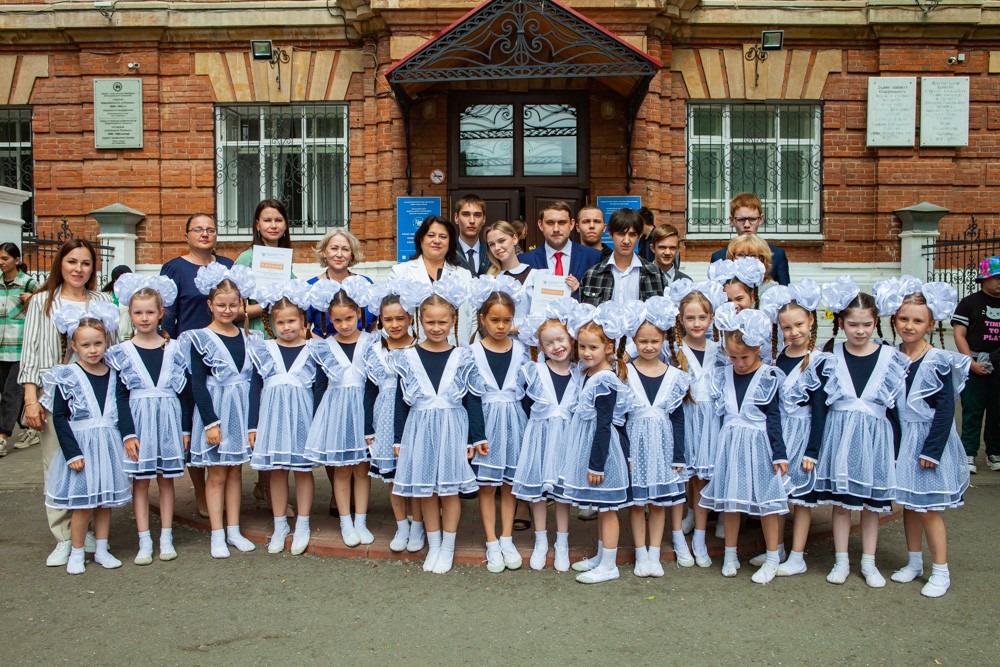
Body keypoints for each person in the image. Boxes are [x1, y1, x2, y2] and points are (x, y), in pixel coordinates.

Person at [20, 239, 119, 567]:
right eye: (72, 262)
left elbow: (114, 347)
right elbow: (31, 350)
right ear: (60, 264)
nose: (79, 269)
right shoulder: (43, 301)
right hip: (56, 395)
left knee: (94, 463)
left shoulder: (101, 300)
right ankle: (64, 535)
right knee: (58, 463)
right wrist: (31, 399)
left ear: (93, 268)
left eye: (86, 263)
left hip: (97, 398)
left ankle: (87, 531)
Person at [814, 277, 907, 588]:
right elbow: (821, 406)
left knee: (871, 505)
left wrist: (897, 450)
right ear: (841, 322)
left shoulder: (890, 357)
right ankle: (841, 560)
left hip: (875, 440)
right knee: (841, 503)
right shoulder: (829, 355)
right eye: (853, 324)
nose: (860, 331)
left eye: (867, 324)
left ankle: (869, 561)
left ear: (876, 322)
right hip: (839, 438)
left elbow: (894, 410)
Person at [391, 276, 485, 574]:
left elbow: (472, 399)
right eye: (430, 322)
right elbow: (399, 401)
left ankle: (448, 546)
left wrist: (475, 437)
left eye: (442, 322)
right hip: (418, 430)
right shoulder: (406, 357)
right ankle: (433, 543)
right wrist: (397, 438)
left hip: (452, 429)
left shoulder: (463, 356)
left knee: (449, 490)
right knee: (426, 490)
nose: (436, 328)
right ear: (420, 321)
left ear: (453, 320)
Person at [885, 280, 970, 598]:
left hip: (929, 442)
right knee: (909, 504)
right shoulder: (891, 357)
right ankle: (914, 562)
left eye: (918, 320)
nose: (909, 326)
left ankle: (941, 570)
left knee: (929, 509)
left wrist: (931, 451)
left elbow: (945, 411)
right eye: (904, 318)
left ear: (931, 324)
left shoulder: (939, 361)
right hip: (904, 441)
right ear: (894, 319)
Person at [700, 305, 789, 583]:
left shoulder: (767, 376)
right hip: (730, 446)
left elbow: (774, 418)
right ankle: (730, 554)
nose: (739, 363)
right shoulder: (723, 375)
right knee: (731, 502)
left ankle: (773, 557)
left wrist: (779, 454)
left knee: (767, 503)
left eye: (745, 357)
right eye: (733, 356)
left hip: (759, 446)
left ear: (758, 349)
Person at [43, 302, 131, 574]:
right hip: (82, 447)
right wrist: (72, 453)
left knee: (105, 502)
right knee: (83, 504)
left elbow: (123, 409)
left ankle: (102, 549)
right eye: (85, 345)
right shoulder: (67, 375)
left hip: (108, 445)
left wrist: (128, 437)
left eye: (97, 343)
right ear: (74, 345)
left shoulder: (115, 373)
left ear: (106, 342)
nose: (92, 350)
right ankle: (77, 552)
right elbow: (59, 417)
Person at [107, 275, 188, 565]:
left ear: (161, 313)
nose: (144, 318)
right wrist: (128, 434)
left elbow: (185, 393)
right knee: (140, 483)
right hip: (139, 423)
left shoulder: (174, 349)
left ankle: (166, 536)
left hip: (168, 421)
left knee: (166, 480)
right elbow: (119, 397)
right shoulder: (122, 353)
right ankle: (144, 540)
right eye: (138, 312)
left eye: (150, 312)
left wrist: (185, 429)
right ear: (130, 314)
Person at [178, 262, 257, 559]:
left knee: (235, 472)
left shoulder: (248, 338)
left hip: (240, 411)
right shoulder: (199, 338)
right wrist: (211, 422)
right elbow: (197, 382)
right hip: (217, 412)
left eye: (233, 305)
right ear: (210, 305)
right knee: (217, 474)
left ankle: (234, 529)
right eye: (221, 305)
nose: (227, 310)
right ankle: (216, 533)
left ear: (241, 305)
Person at [160, 214, 233, 518]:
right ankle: (201, 490)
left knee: (223, 419)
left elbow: (236, 304)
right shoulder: (175, 268)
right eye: (198, 229)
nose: (205, 234)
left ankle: (222, 486)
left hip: (223, 353)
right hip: (189, 355)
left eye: (210, 229)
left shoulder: (227, 265)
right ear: (187, 234)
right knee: (194, 420)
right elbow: (168, 314)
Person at [757, 280, 829, 576]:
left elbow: (821, 410)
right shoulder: (779, 358)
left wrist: (813, 450)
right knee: (777, 493)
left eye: (799, 325)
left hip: (804, 433)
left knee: (801, 499)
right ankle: (776, 549)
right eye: (787, 327)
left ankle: (798, 555)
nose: (794, 332)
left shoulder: (820, 361)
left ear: (810, 320)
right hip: (780, 436)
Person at [560, 302, 634, 584]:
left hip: (602, 451)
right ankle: (602, 556)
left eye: (593, 347)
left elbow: (605, 424)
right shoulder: (588, 373)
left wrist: (597, 465)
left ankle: (610, 565)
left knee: (608, 509)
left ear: (608, 348)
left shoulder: (605, 379)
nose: (586, 353)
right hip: (591, 445)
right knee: (601, 507)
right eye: (582, 347)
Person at [247, 280, 318, 556]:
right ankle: (279, 525)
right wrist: (252, 425)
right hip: (273, 418)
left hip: (303, 418)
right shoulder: (264, 350)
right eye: (281, 322)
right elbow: (255, 388)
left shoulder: (314, 350)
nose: (287, 327)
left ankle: (303, 523)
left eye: (292, 321)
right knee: (276, 471)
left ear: (302, 320)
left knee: (303, 470)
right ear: (271, 323)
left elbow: (319, 389)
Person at [305, 277, 376, 547]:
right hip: (336, 411)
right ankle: (345, 521)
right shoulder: (324, 346)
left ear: (358, 313)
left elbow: (373, 383)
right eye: (338, 320)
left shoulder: (371, 342)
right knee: (342, 470)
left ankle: (361, 520)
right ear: (329, 319)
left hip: (363, 411)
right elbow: (320, 385)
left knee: (362, 469)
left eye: (349, 318)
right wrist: (318, 421)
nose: (344, 325)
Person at [511, 299, 581, 571]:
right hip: (539, 439)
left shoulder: (580, 373)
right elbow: (526, 406)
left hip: (567, 440)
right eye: (549, 343)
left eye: (560, 340)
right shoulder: (534, 371)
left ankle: (562, 543)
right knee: (538, 494)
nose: (556, 347)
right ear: (541, 347)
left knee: (562, 495)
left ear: (571, 340)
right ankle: (541, 541)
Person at [625, 297, 692, 577]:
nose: (649, 346)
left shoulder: (675, 376)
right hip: (636, 446)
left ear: (664, 338)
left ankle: (654, 554)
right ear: (634, 340)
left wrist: (679, 455)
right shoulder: (625, 372)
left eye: (654, 341)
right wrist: (625, 453)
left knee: (659, 503)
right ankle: (641, 554)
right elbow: (620, 418)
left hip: (663, 447)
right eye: (643, 341)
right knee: (637, 503)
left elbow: (678, 418)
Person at [467, 277, 529, 572]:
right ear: (482, 318)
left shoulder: (521, 351)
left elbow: (527, 394)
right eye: (495, 320)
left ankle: (507, 538)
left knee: (509, 485)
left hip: (515, 423)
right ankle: (491, 541)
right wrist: (475, 435)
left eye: (507, 320)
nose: (501, 326)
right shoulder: (472, 352)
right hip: (487, 426)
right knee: (488, 486)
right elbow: (470, 398)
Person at [361, 281, 427, 553]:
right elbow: (369, 390)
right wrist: (368, 428)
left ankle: (418, 525)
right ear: (381, 320)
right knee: (393, 476)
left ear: (410, 318)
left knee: (415, 473)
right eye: (388, 319)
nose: (395, 324)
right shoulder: (375, 349)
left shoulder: (419, 347)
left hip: (415, 418)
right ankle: (402, 526)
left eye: (400, 318)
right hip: (385, 418)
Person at [667, 279, 727, 567]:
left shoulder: (719, 350)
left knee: (702, 478)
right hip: (684, 419)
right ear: (680, 319)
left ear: (711, 318)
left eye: (702, 317)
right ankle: (679, 533)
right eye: (690, 318)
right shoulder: (673, 350)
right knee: (681, 478)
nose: (697, 323)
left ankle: (700, 538)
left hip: (710, 420)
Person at [388, 215, 476, 345]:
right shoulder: (400, 273)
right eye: (431, 235)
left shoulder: (464, 275)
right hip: (414, 349)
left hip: (457, 349)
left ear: (450, 242)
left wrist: (469, 349)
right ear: (421, 239)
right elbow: (391, 315)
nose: (437, 240)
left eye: (443, 237)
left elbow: (473, 319)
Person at [951, 255, 1000, 474]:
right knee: (972, 410)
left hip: (999, 365)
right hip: (974, 364)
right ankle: (968, 453)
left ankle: (994, 452)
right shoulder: (969, 303)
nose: (999, 282)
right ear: (983, 279)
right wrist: (970, 362)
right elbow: (959, 334)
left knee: (997, 411)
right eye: (996, 277)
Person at [579, 208, 667, 306]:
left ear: (639, 236)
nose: (626, 241)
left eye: (632, 235)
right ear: (611, 234)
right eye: (621, 234)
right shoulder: (592, 274)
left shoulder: (654, 274)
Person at [234, 199, 295, 334]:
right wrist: (266, 305)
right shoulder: (247, 258)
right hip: (257, 332)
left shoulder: (285, 258)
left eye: (278, 220)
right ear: (258, 225)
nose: (273, 225)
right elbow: (233, 311)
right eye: (267, 220)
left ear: (285, 225)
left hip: (284, 333)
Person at [0, 242, 38, 457]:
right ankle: (29, 427)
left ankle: (2, 437)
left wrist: (32, 300)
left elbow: (46, 306)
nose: (1, 262)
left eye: (5, 258)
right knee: (8, 393)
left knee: (10, 393)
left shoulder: (29, 284)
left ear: (16, 260)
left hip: (21, 348)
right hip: (1, 349)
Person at [306, 227, 374, 337]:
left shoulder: (365, 284)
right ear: (324, 252)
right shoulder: (311, 287)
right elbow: (303, 329)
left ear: (352, 254)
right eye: (334, 248)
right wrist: (326, 346)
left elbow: (374, 324)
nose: (339, 254)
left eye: (345, 249)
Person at [710, 193, 790, 285]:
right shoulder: (719, 257)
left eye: (752, 219)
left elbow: (785, 291)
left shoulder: (777, 255)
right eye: (741, 219)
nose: (747, 225)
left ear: (761, 219)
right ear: (732, 220)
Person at [519, 201, 601, 290]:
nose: (556, 229)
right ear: (540, 225)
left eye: (562, 222)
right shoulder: (525, 261)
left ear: (571, 224)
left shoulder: (593, 257)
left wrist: (580, 290)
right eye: (550, 223)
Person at [454, 195, 491, 277]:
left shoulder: (492, 253)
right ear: (456, 218)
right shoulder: (448, 252)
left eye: (477, 215)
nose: (472, 220)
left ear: (484, 219)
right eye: (466, 214)